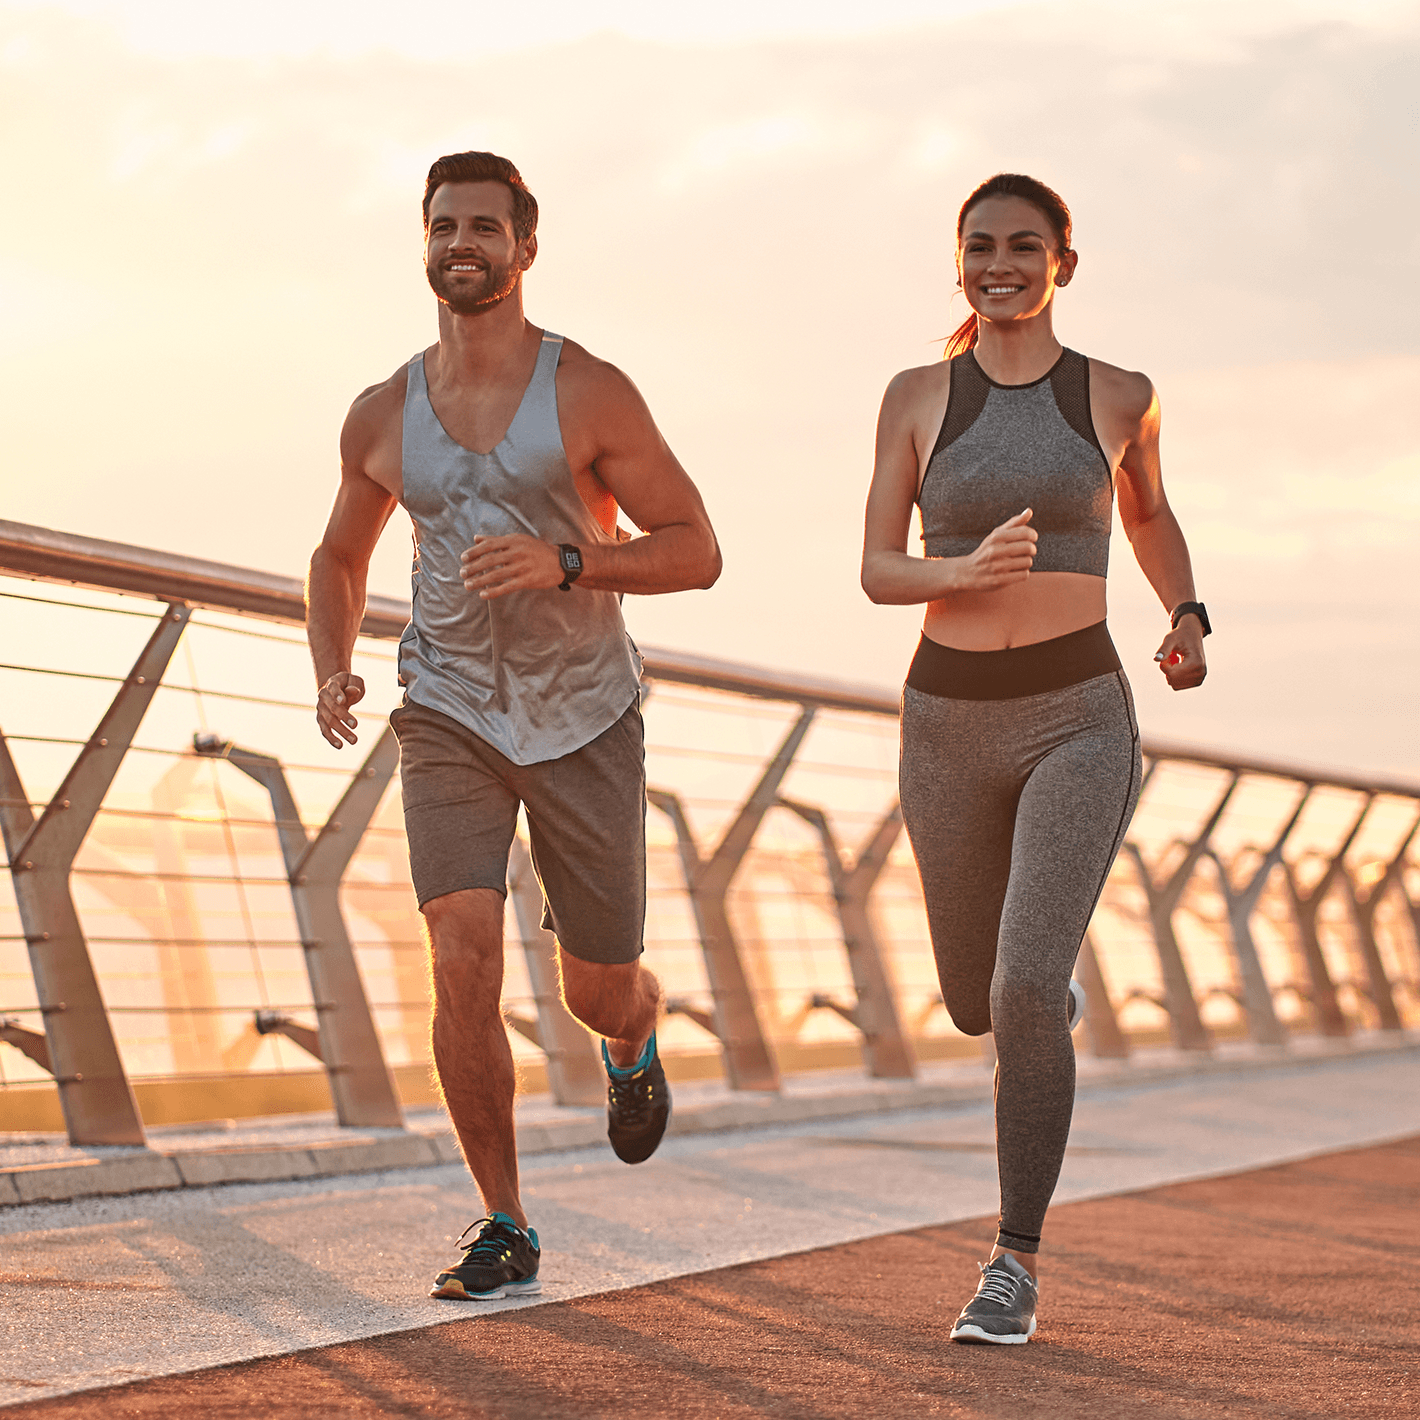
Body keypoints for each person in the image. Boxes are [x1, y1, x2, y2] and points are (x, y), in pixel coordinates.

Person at [306, 150, 722, 1302]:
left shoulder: (587, 391)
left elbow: (695, 546)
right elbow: (339, 555)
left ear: (525, 248)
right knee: (460, 950)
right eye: (443, 224)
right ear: (425, 241)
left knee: (595, 983)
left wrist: (570, 559)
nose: (461, 243)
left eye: (484, 225)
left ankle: (632, 1041)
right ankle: (503, 1219)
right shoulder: (382, 411)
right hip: (446, 710)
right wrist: (334, 666)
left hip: (584, 716)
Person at [861, 173, 1208, 1344]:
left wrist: (1186, 611)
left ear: (1064, 258)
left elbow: (1148, 516)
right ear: (955, 261)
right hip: (944, 718)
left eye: (1020, 245)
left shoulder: (1119, 394)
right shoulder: (916, 397)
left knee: (1016, 988)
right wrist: (954, 572)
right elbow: (874, 566)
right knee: (978, 1001)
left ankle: (1011, 1259)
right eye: (976, 247)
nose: (996, 263)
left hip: (1077, 712)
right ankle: (1033, 998)